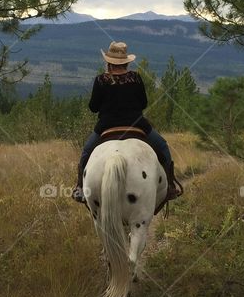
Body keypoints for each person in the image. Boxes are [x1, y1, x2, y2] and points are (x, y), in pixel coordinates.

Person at [72, 41, 183, 206]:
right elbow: (143, 103)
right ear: (126, 62)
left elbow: (93, 108)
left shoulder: (101, 80)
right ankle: (171, 185)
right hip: (137, 124)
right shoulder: (135, 77)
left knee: (86, 152)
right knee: (163, 147)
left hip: (106, 126)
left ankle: (80, 187)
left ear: (109, 62)